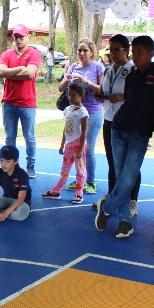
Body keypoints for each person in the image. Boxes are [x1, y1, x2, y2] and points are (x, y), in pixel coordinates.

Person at [95, 36, 154, 238]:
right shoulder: (132, 75)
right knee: (121, 176)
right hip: (119, 126)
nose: (135, 57)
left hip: (140, 132)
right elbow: (129, 100)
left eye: (140, 53)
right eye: (134, 52)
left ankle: (107, 207)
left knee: (129, 177)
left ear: (151, 54)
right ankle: (125, 222)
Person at [58, 38, 105, 195]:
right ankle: (80, 179)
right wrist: (69, 78)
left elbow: (102, 89)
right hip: (75, 114)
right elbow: (61, 88)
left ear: (92, 52)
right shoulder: (73, 67)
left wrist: (86, 82)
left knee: (87, 149)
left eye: (85, 50)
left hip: (93, 112)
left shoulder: (97, 66)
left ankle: (90, 181)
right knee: (75, 148)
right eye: (80, 50)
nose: (82, 53)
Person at [99, 34, 139, 213]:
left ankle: (131, 200)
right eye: (111, 49)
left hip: (127, 122)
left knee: (130, 165)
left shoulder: (133, 70)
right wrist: (100, 95)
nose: (113, 53)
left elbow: (139, 96)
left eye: (117, 49)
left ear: (127, 50)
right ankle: (112, 197)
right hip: (109, 120)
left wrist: (122, 96)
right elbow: (103, 89)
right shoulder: (108, 70)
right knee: (112, 162)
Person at [0, 24, 42, 178]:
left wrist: (9, 73)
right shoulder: (6, 54)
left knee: (29, 137)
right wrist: (20, 68)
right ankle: (11, 165)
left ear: (27, 37)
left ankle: (31, 165)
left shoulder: (34, 53)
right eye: (16, 37)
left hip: (27, 103)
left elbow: (29, 73)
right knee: (10, 137)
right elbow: (0, 72)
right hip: (9, 102)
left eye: (21, 37)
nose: (18, 40)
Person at [41, 82, 88, 204]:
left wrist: (80, 149)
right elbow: (66, 128)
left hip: (78, 143)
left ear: (81, 96)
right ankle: (56, 191)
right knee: (65, 169)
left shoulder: (82, 112)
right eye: (69, 95)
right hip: (69, 144)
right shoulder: (68, 109)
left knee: (80, 170)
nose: (70, 97)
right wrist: (62, 144)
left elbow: (84, 131)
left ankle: (79, 193)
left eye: (74, 95)